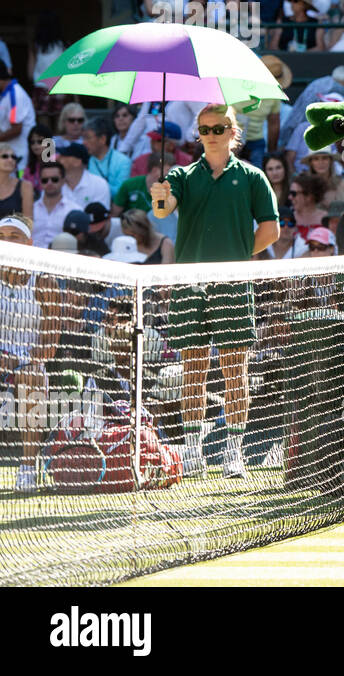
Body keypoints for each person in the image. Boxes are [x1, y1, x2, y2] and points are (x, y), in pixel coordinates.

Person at [150, 103, 280, 479]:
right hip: (190, 284)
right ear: (198, 133)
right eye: (205, 129)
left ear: (233, 133)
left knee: (235, 372)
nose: (211, 134)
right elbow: (163, 211)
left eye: (219, 128)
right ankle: (191, 452)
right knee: (193, 371)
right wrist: (161, 195)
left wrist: (236, 256)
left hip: (233, 282)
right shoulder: (181, 175)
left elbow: (271, 231)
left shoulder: (253, 177)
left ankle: (233, 453)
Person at [0, 214, 58, 492]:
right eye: (1, 237)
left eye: (14, 237)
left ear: (29, 243)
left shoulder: (43, 281)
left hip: (27, 363)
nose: (7, 243)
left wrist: (21, 362)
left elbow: (49, 344)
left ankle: (27, 469)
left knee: (33, 377)